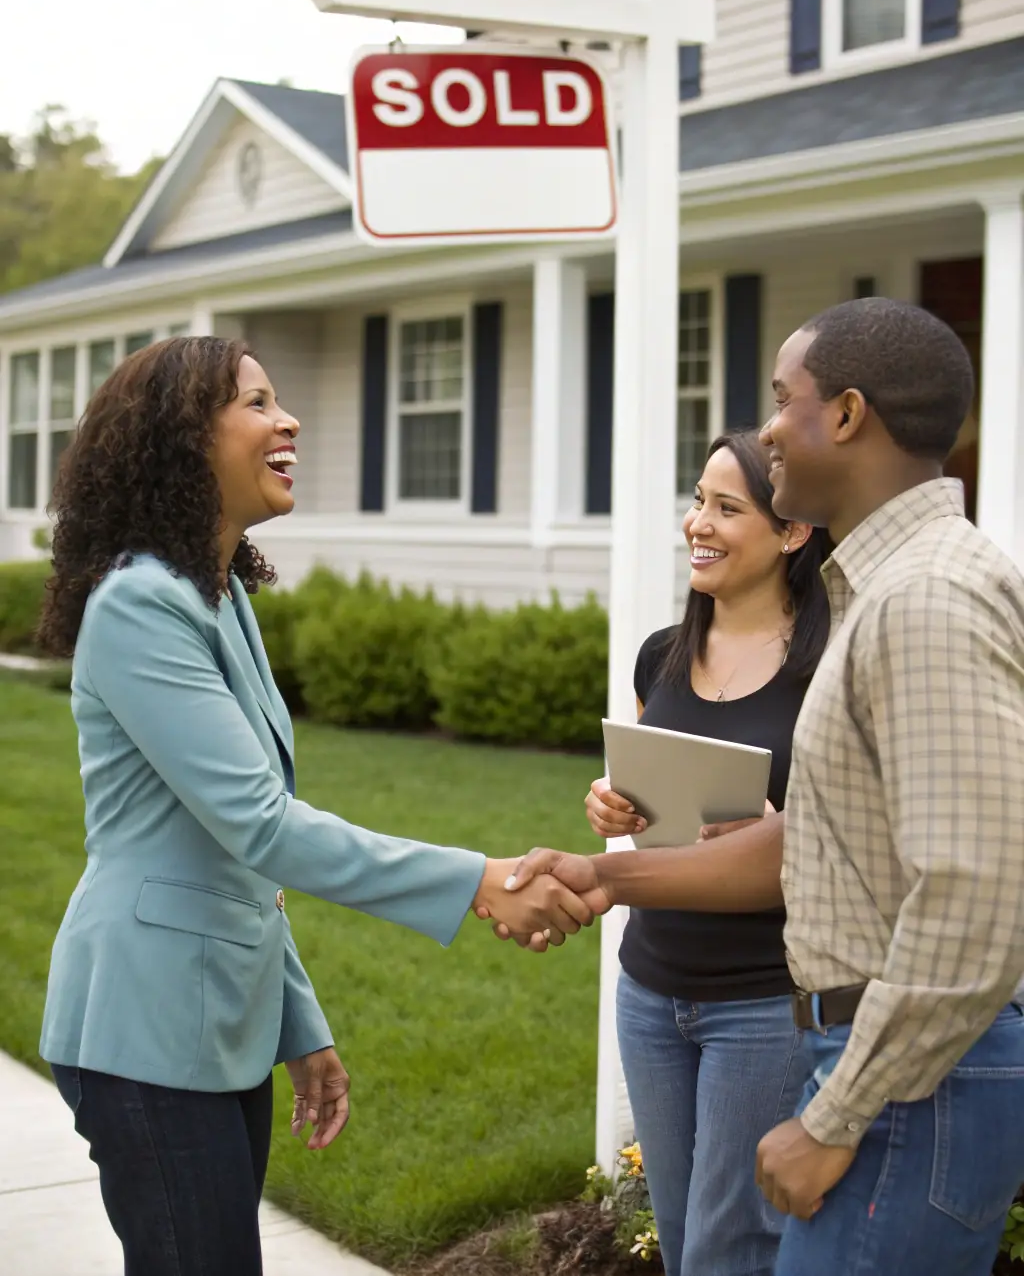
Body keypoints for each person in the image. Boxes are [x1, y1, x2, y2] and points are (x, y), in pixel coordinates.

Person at [36, 336, 598, 1276]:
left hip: (210, 1026)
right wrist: (481, 880)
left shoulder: (217, 598)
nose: (286, 419)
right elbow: (262, 822)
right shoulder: (139, 604)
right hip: (143, 1028)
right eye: (255, 403)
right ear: (183, 441)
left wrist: (299, 1024)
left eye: (279, 399)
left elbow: (235, 854)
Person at [494, 298, 1024, 1276]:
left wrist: (833, 1116)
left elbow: (975, 894)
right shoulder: (887, 591)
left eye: (785, 400)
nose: (770, 427)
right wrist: (610, 865)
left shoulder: (923, 602)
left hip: (912, 1082)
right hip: (891, 1064)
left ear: (849, 415)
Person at [584, 429, 831, 1276]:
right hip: (651, 993)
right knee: (686, 1237)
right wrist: (610, 801)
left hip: (763, 1003)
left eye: (728, 507)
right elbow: (654, 803)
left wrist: (777, 821)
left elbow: (849, 833)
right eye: (699, 500)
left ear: (792, 530)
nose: (700, 522)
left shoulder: (829, 668)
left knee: (735, 1248)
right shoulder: (664, 653)